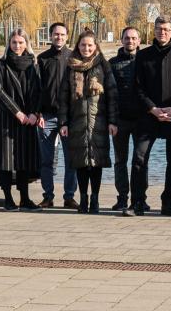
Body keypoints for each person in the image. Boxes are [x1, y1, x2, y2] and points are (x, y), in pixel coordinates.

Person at [133, 17, 171, 217]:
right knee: (139, 159)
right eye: (159, 29)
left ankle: (170, 201)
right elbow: (137, 87)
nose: (162, 32)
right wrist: (152, 109)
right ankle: (138, 202)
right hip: (148, 115)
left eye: (166, 29)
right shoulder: (143, 55)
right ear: (154, 29)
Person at [57, 31, 118, 214]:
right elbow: (63, 97)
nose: (86, 48)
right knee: (81, 163)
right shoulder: (71, 66)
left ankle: (95, 199)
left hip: (98, 121)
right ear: (78, 46)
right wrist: (63, 123)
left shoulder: (103, 66)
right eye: (83, 45)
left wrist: (112, 121)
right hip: (76, 122)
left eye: (90, 45)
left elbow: (112, 95)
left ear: (96, 47)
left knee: (96, 162)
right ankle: (83, 198)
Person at [0, 30, 45, 211]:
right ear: (9, 44)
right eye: (14, 42)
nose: (17, 46)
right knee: (6, 161)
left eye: (21, 42)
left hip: (28, 120)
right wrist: (17, 112)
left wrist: (34, 113)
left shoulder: (33, 65)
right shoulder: (1, 65)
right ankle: (8, 198)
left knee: (24, 160)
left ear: (26, 43)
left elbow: (38, 92)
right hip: (7, 119)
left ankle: (25, 198)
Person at [37, 22, 78, 209]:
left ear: (67, 37)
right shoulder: (42, 59)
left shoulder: (74, 58)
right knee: (46, 160)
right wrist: (38, 113)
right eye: (55, 34)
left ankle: (69, 196)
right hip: (47, 116)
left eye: (62, 34)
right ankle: (48, 196)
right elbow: (36, 89)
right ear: (50, 36)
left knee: (71, 160)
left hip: (68, 118)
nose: (59, 37)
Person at [107, 27, 143, 211]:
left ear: (139, 40)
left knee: (140, 160)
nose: (130, 41)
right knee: (120, 161)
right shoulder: (112, 64)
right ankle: (122, 197)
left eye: (133, 38)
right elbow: (109, 96)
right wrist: (111, 121)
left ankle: (140, 198)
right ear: (122, 40)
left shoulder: (145, 62)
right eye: (127, 38)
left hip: (141, 121)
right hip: (120, 120)